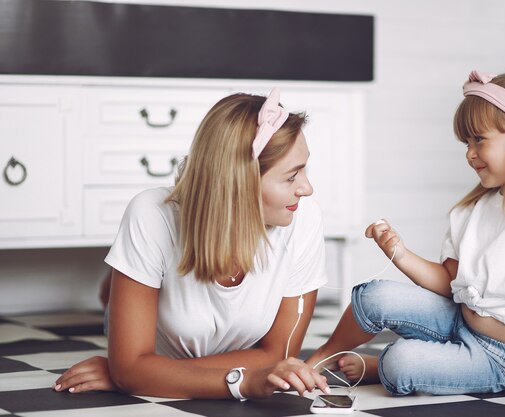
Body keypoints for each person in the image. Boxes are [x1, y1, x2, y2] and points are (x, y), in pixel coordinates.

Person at [306, 70, 505, 403]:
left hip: (496, 358)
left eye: (479, 140)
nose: (470, 153)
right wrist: (398, 252)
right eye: (466, 143)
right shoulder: (473, 209)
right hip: (455, 320)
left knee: (402, 361)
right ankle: (322, 356)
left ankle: (380, 366)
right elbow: (449, 281)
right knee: (374, 295)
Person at [54, 89, 332, 399]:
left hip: (179, 342)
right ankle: (119, 286)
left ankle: (130, 277)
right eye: (292, 176)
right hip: (167, 324)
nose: (307, 188)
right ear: (241, 181)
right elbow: (133, 369)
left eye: (304, 169)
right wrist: (244, 381)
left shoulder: (302, 218)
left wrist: (144, 372)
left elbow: (278, 355)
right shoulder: (150, 213)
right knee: (119, 308)